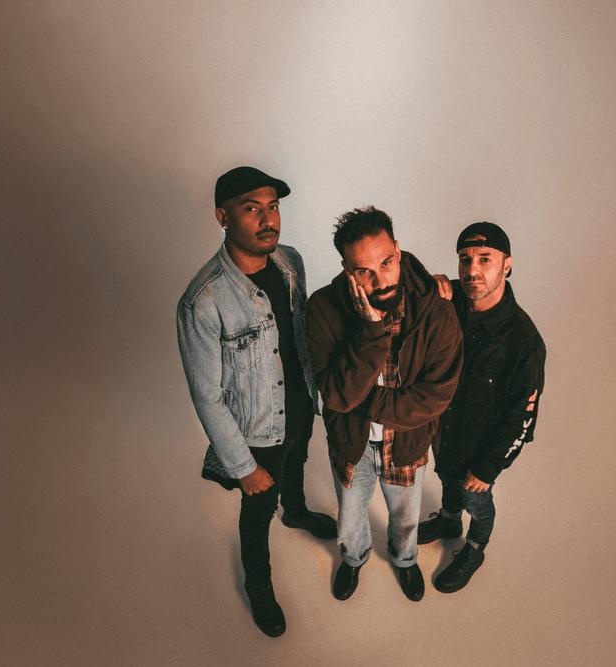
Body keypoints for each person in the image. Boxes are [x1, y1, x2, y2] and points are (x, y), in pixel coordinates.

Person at [176, 166, 336, 637]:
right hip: (257, 427)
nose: (268, 220)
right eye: (252, 209)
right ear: (223, 217)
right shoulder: (203, 301)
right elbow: (206, 396)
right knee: (258, 509)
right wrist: (243, 468)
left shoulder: (290, 262)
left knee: (298, 458)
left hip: (300, 402)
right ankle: (259, 584)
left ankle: (297, 510)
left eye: (273, 207)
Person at [306, 206, 463, 602]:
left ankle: (405, 561)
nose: (379, 280)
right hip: (351, 444)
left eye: (387, 263)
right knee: (350, 517)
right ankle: (354, 558)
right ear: (346, 270)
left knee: (407, 518)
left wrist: (361, 402)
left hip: (408, 442)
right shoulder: (323, 308)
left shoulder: (436, 309)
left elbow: (435, 397)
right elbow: (334, 396)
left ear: (398, 250)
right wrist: (373, 331)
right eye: (364, 271)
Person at [419, 221, 546, 593]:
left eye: (485, 259)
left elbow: (523, 417)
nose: (472, 270)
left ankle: (475, 548)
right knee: (447, 477)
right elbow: (403, 288)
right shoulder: (450, 299)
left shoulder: (524, 340)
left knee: (475, 496)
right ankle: (448, 520)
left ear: (507, 264)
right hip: (445, 432)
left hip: (482, 447)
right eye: (465, 259)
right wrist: (428, 282)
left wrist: (489, 467)